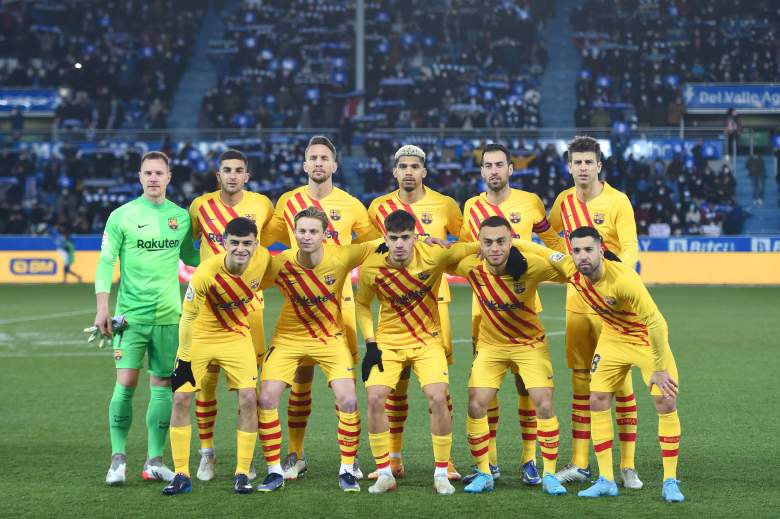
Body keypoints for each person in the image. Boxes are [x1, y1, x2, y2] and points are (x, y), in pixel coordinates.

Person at [517, 228, 684, 502]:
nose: (583, 256)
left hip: (644, 341)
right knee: (597, 400)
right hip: (613, 339)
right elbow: (542, 251)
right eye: (577, 250)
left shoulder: (623, 279)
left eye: (588, 250)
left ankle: (669, 481)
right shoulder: (571, 268)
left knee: (665, 400)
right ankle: (606, 479)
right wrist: (513, 240)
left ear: (601, 250)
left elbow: (656, 322)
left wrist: (660, 367)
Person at [262, 136, 379, 480]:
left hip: (338, 304)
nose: (317, 163)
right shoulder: (287, 202)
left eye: (323, 158)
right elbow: (263, 240)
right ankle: (295, 454)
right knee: (299, 381)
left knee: (343, 386)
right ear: (304, 165)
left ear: (334, 165)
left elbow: (372, 246)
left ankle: (351, 458)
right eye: (312, 157)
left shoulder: (352, 205)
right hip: (300, 304)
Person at [459, 143, 564, 486]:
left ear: (510, 169)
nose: (493, 171)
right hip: (484, 311)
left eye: (499, 165)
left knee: (525, 388)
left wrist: (551, 255)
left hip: (524, 305)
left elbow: (551, 239)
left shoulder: (530, 201)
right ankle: (487, 464)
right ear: (482, 171)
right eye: (487, 165)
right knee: (485, 392)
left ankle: (529, 460)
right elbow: (466, 250)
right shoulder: (471, 207)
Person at [94, 151, 199, 485]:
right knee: (125, 384)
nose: (153, 178)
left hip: (170, 316)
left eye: (159, 173)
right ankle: (118, 459)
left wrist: (225, 250)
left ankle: (154, 461)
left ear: (169, 177)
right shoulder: (122, 216)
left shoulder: (180, 217)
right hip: (130, 317)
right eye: (147, 173)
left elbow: (192, 256)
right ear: (139, 177)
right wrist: (102, 307)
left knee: (163, 385)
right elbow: (106, 261)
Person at [356, 209, 479, 495]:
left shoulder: (433, 255)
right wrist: (371, 343)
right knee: (375, 397)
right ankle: (385, 472)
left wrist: (506, 245)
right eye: (394, 238)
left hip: (427, 342)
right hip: (388, 341)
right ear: (385, 237)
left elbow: (474, 246)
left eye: (406, 238)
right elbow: (362, 305)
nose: (400, 244)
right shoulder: (372, 267)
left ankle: (441, 472)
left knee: (438, 397)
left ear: (415, 237)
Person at [548, 136, 643, 489]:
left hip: (612, 307)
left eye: (590, 162)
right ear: (569, 166)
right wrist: (567, 263)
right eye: (578, 162)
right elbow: (552, 234)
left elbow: (631, 245)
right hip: (576, 302)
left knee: (621, 383)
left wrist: (621, 281)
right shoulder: (564, 201)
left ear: (599, 165)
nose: (583, 167)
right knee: (580, 384)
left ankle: (628, 466)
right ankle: (580, 463)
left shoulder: (618, 201)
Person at [366, 144, 463, 481]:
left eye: (415, 166)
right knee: (395, 386)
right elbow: (367, 246)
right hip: (393, 306)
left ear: (424, 171)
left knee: (439, 388)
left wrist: (445, 248)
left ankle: (445, 460)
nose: (408, 172)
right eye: (402, 166)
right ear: (394, 171)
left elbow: (463, 242)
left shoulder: (445, 205)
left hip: (436, 303)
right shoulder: (378, 207)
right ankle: (393, 457)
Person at [162, 217, 271, 495]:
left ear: (256, 244)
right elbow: (187, 316)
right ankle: (181, 474)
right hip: (200, 336)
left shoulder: (264, 261)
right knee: (181, 397)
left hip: (236, 337)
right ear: (225, 243)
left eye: (247, 243)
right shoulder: (206, 272)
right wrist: (185, 359)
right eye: (235, 242)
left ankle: (243, 473)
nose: (241, 248)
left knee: (249, 399)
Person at [188, 149, 274, 481]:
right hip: (208, 312)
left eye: (239, 170)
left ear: (247, 176)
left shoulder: (263, 205)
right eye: (227, 170)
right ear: (218, 175)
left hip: (249, 310)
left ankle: (246, 459)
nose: (233, 175)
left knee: (248, 389)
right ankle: (206, 453)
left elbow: (274, 242)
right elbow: (187, 244)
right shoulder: (200, 206)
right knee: (204, 385)